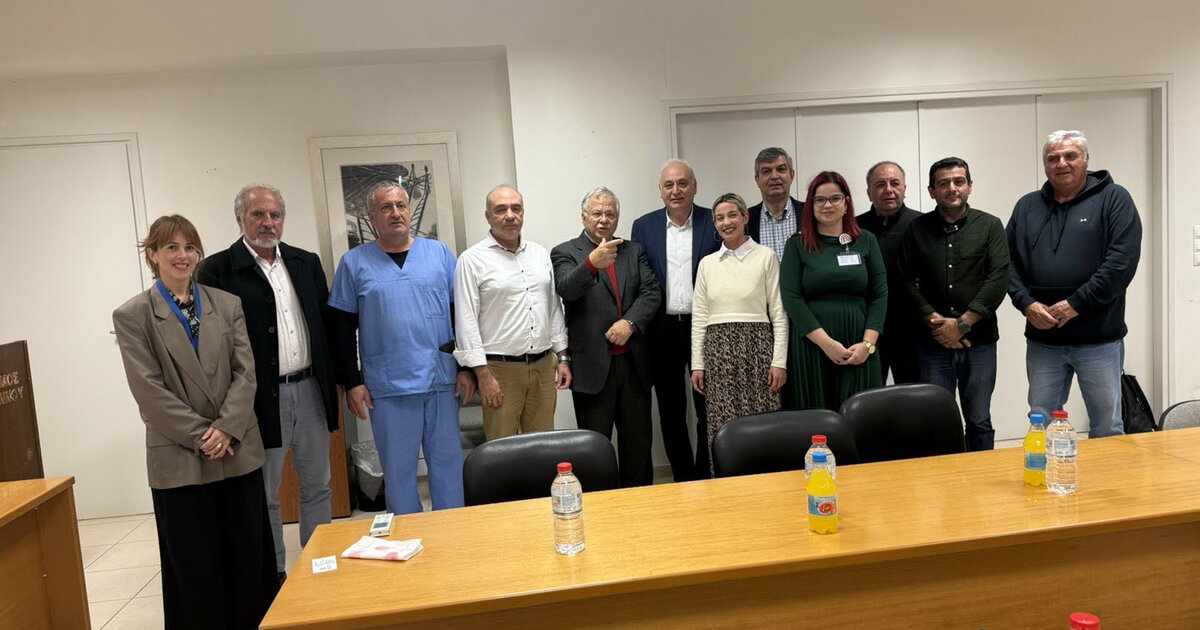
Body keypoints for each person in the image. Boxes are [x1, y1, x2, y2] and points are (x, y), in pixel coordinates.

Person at [113, 215, 277, 628]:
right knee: (195, 568)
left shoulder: (227, 304)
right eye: (171, 247)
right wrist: (204, 434)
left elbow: (246, 373)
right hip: (181, 458)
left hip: (236, 450)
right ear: (153, 254)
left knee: (247, 559)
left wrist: (226, 428)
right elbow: (148, 389)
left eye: (190, 247)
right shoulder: (133, 315)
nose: (182, 255)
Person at [198, 183, 337, 581]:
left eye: (275, 214)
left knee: (317, 485)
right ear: (239, 218)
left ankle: (319, 570)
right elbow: (214, 345)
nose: (268, 222)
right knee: (266, 493)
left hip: (309, 390)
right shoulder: (218, 270)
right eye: (258, 214)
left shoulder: (305, 262)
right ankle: (273, 577)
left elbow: (325, 326)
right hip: (258, 399)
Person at [328, 181, 472, 514]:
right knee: (399, 473)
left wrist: (466, 368)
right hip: (389, 385)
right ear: (372, 217)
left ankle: (453, 534)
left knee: (448, 467)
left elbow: (461, 316)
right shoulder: (354, 263)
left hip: (441, 380)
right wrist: (352, 381)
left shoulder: (438, 254)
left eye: (401, 205)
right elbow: (340, 328)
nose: (395, 213)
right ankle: (409, 538)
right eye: (386, 207)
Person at [1007, 130, 1142, 437]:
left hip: (1099, 339)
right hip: (1043, 341)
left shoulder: (1114, 199)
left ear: (1086, 160)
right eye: (1053, 158)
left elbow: (1121, 262)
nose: (1062, 163)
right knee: (1040, 420)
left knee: (1107, 424)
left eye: (1070, 156)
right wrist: (1025, 303)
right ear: (1045, 164)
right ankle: (1046, 468)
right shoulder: (1026, 206)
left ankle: (1106, 472)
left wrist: (1075, 304)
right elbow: (1007, 262)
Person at [897, 158, 1009, 451]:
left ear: (969, 186)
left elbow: (998, 278)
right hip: (932, 343)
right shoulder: (916, 229)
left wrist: (962, 324)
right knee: (936, 420)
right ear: (931, 190)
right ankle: (944, 478)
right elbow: (904, 279)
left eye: (959, 181)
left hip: (979, 342)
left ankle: (981, 474)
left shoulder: (990, 226)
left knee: (979, 419)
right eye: (943, 183)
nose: (952, 188)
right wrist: (935, 320)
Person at [552, 187, 661, 487]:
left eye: (610, 214)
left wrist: (630, 323)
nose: (603, 219)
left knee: (638, 447)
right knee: (594, 450)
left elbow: (651, 292)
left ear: (617, 218)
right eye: (597, 213)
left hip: (633, 366)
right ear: (583, 217)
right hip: (591, 369)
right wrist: (592, 263)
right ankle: (601, 507)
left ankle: (639, 505)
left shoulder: (633, 251)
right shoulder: (564, 252)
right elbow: (566, 288)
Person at [455, 185, 571, 440]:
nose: (510, 215)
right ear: (488, 216)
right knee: (501, 449)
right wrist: (483, 375)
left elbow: (553, 309)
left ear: (523, 213)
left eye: (516, 208)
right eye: (501, 209)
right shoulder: (471, 260)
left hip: (543, 366)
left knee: (543, 446)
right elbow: (466, 321)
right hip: (499, 371)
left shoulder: (539, 254)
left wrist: (562, 358)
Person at [630, 159, 722, 481]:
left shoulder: (714, 220)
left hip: (705, 328)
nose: (676, 190)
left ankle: (704, 475)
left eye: (682, 183)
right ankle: (683, 479)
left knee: (707, 408)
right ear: (660, 191)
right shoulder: (643, 227)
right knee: (670, 412)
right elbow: (640, 280)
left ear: (694, 186)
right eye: (668, 185)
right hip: (661, 330)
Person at [690, 193, 788, 475]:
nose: (726, 222)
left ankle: (767, 485)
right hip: (718, 354)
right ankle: (724, 484)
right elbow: (699, 318)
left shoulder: (766, 257)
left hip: (757, 350)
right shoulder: (708, 264)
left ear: (745, 217)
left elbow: (779, 313)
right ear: (714, 224)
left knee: (762, 424)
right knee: (722, 426)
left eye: (732, 215)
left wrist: (779, 361)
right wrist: (697, 363)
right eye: (719, 218)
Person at [779, 171, 886, 411]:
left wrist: (867, 345)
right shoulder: (796, 244)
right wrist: (827, 344)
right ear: (811, 205)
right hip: (813, 344)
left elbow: (879, 295)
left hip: (859, 343)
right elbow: (792, 298)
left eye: (835, 198)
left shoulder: (866, 240)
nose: (827, 205)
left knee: (862, 416)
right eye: (820, 199)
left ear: (846, 203)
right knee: (817, 418)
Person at [856, 161, 922, 385]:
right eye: (880, 184)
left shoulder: (923, 225)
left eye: (895, 183)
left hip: (913, 331)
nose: (888, 190)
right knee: (868, 396)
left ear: (904, 188)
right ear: (869, 192)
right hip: (867, 330)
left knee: (913, 397)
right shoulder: (854, 228)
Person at [746, 147, 802, 260]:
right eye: (766, 171)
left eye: (781, 169)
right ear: (757, 179)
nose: (774, 176)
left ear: (792, 175)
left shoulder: (810, 213)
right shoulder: (745, 221)